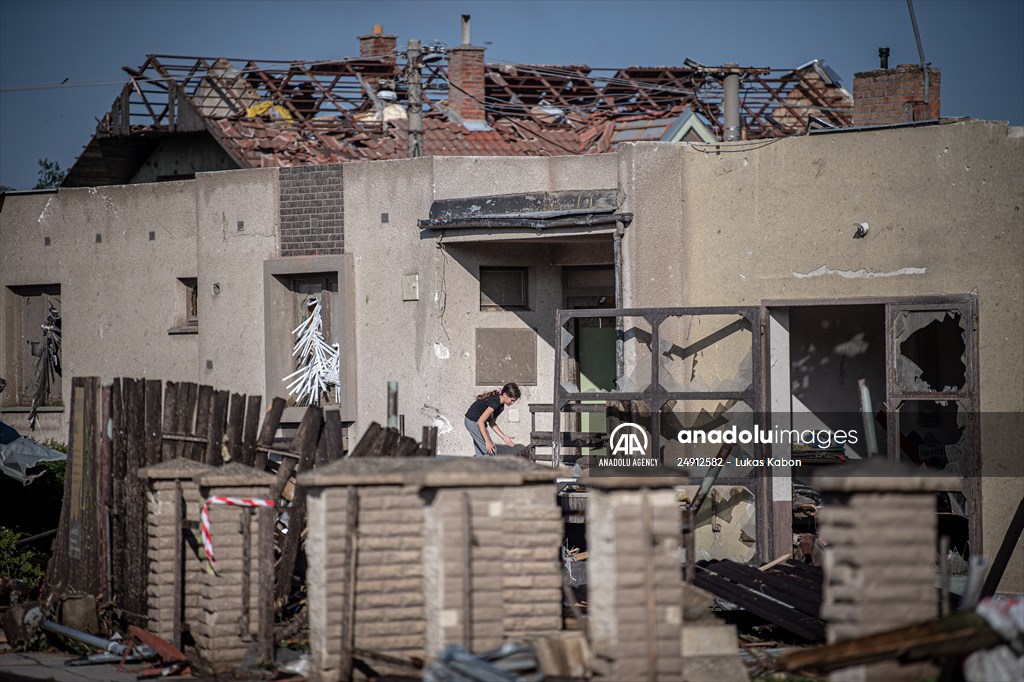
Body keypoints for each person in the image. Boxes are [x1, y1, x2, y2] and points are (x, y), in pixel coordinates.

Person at [464, 383, 521, 456]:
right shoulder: (495, 403)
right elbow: (480, 422)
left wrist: (504, 437)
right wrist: (487, 442)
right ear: (504, 394)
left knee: (482, 453)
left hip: (476, 422)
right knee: (491, 451)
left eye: (514, 401)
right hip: (473, 421)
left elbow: (492, 422)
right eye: (512, 400)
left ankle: (479, 466)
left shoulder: (501, 406)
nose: (512, 403)